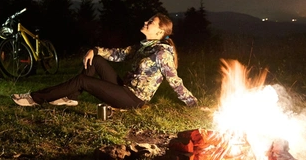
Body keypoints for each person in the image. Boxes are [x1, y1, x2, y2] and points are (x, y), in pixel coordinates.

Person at [11, 13, 198, 108]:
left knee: (83, 81)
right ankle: (69, 98)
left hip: (133, 99)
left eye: (150, 22)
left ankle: (35, 98)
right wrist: (94, 50)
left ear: (159, 32)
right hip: (123, 88)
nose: (145, 23)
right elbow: (118, 54)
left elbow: (175, 81)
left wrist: (193, 103)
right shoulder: (143, 46)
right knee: (96, 60)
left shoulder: (162, 53)